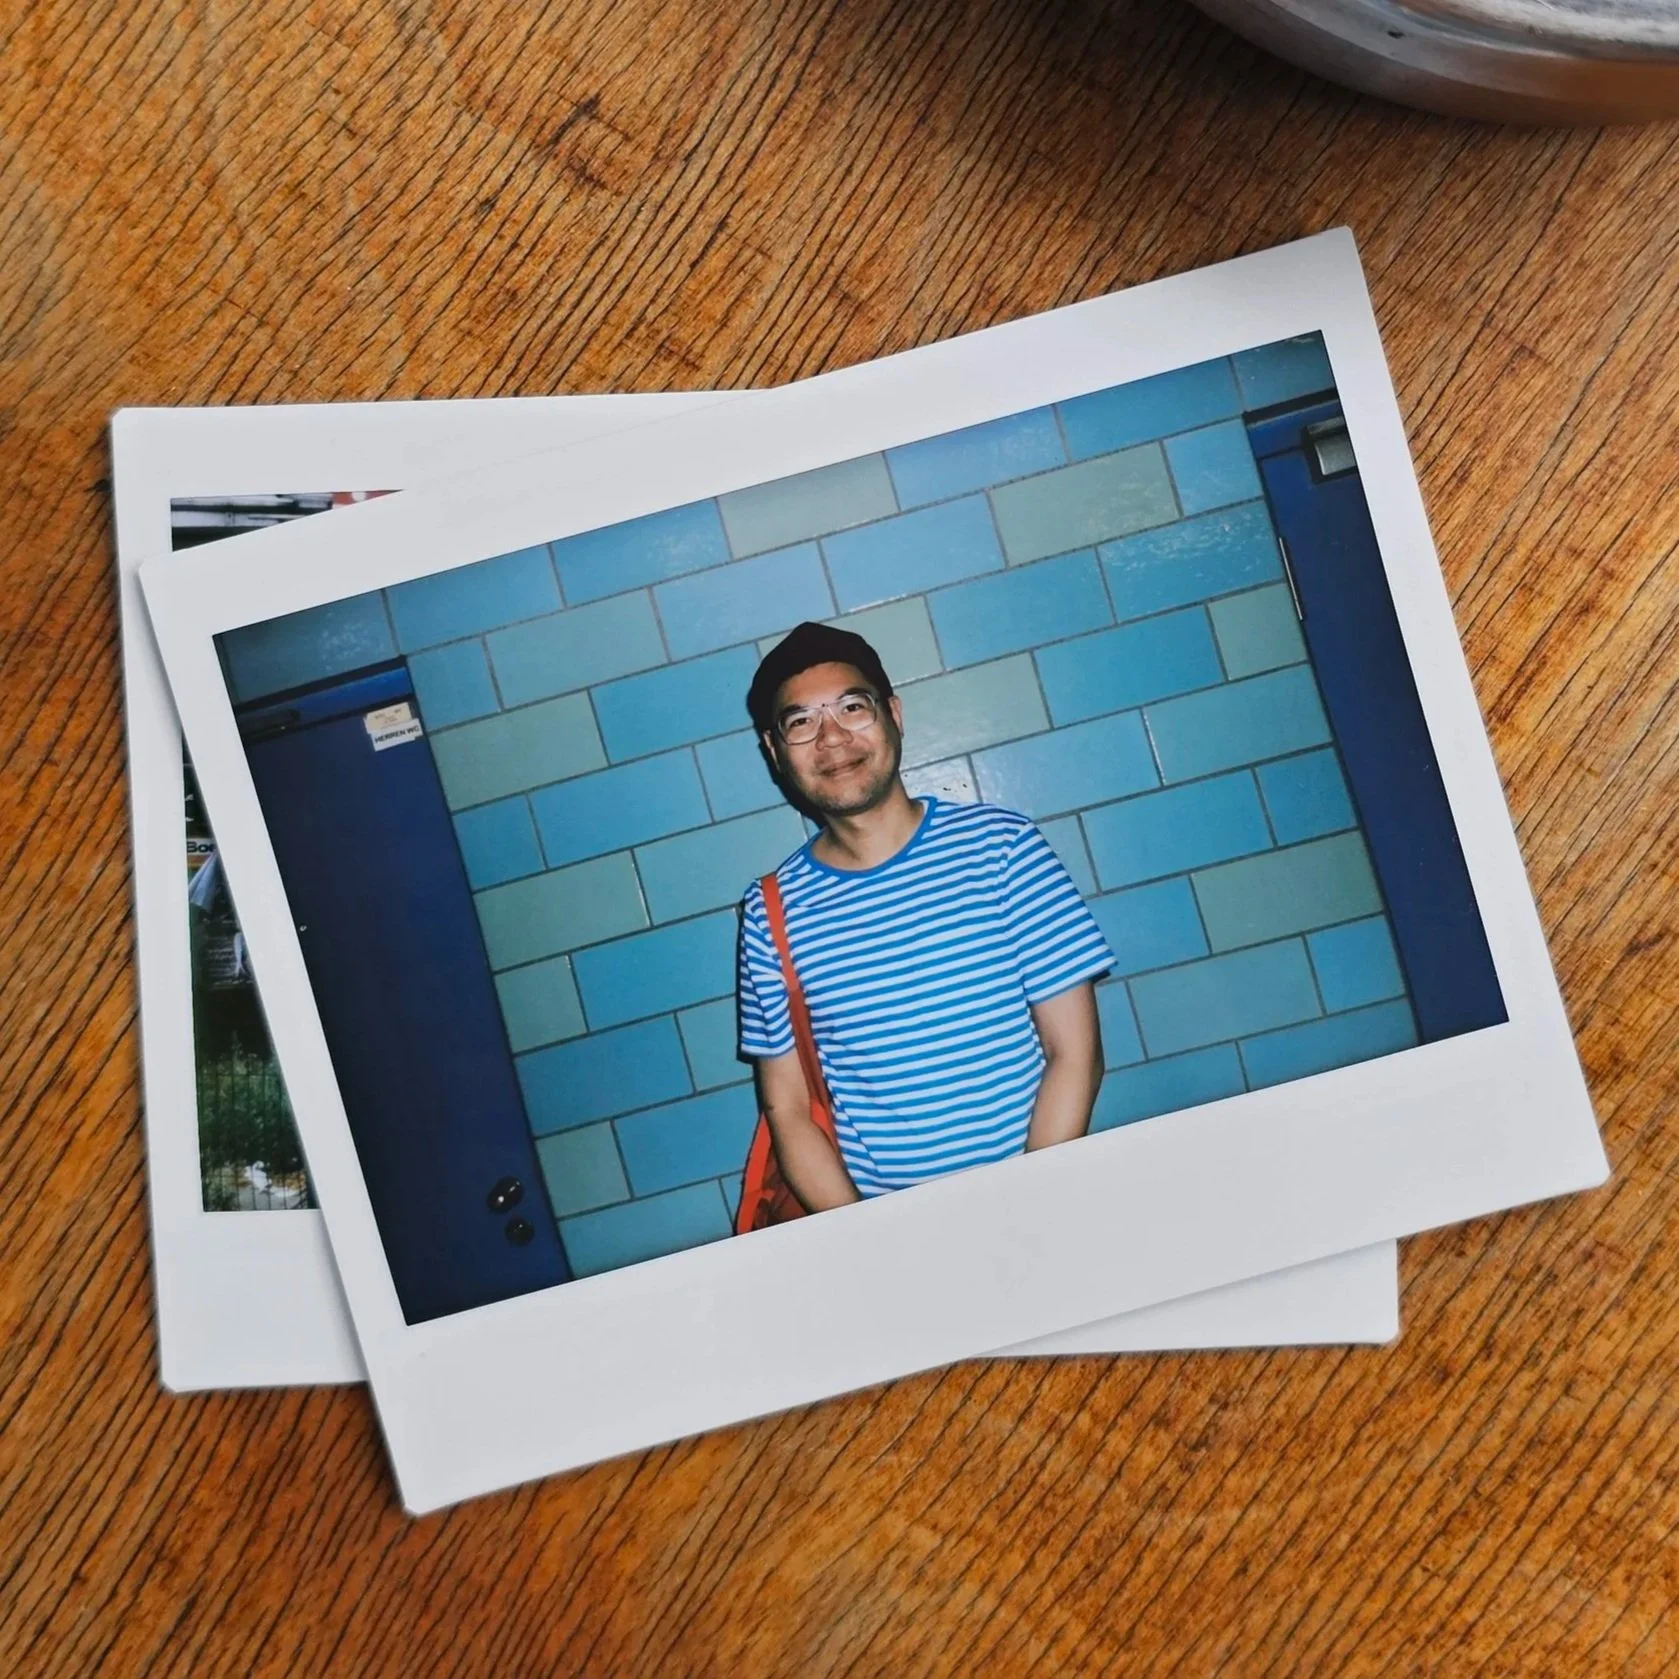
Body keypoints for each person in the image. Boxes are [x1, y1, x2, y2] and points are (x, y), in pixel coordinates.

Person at [737, 621, 1115, 1212]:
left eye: (852, 708)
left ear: (893, 714)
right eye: (801, 721)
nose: (832, 738)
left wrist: (1034, 1206)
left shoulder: (1003, 849)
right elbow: (787, 1110)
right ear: (774, 751)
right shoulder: (769, 913)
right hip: (893, 1233)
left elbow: (1075, 1055)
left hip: (1043, 1203)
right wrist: (871, 1240)